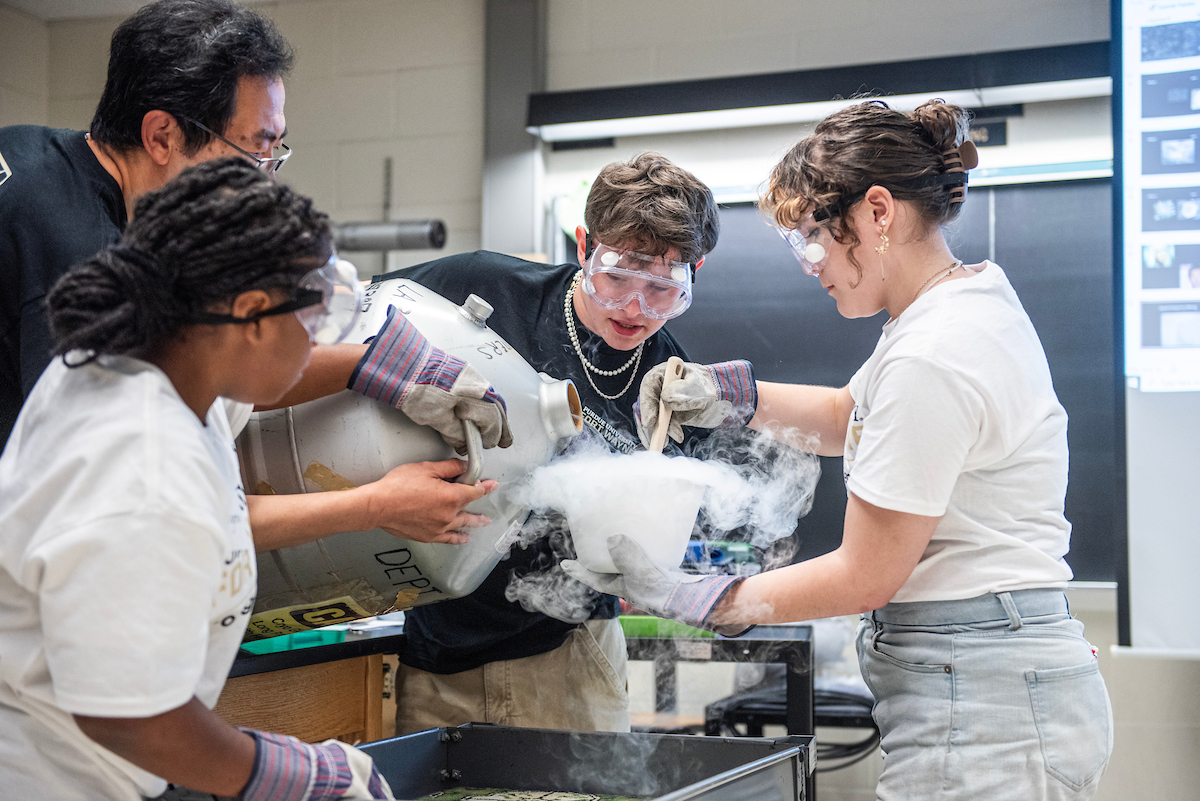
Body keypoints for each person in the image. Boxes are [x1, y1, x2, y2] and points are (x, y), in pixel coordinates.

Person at [566, 101, 1113, 800]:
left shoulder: (934, 354)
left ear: (877, 212)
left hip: (986, 702)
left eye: (812, 241)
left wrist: (704, 597)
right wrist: (728, 393)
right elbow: (845, 415)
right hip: (990, 680)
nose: (809, 267)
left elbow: (865, 574)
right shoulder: (954, 308)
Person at [0, 0, 506, 549]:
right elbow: (144, 518)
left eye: (273, 152)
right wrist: (374, 505)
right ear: (162, 136)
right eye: (253, 152)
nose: (262, 184)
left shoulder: (38, 155)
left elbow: (217, 365)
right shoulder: (76, 258)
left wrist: (373, 362)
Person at [0, 159, 397, 800]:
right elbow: (129, 716)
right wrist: (293, 775)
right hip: (52, 777)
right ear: (252, 314)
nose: (315, 342)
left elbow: (265, 382)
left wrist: (380, 365)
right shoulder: (143, 464)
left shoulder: (168, 368)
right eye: (314, 323)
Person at [376, 153, 745, 735]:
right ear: (584, 247)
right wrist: (396, 368)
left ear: (696, 271)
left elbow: (684, 537)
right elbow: (352, 320)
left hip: (573, 654)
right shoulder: (484, 289)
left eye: (663, 289)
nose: (634, 307)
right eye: (617, 275)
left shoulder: (676, 387)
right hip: (439, 642)